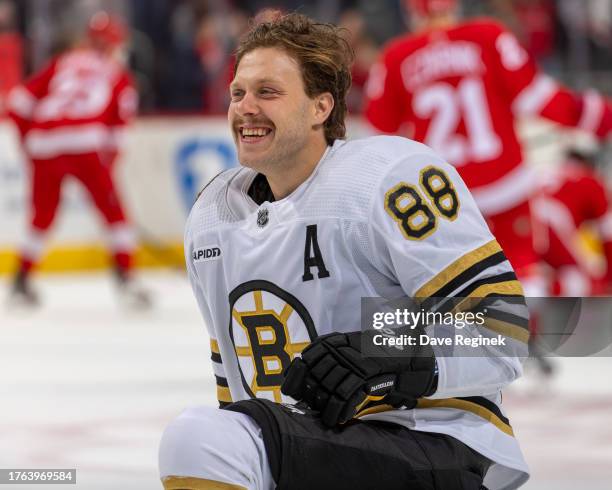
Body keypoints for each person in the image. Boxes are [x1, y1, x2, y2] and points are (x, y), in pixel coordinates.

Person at [159, 12, 531, 490]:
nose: (245, 107)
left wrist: (388, 355)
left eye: (267, 92)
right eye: (238, 93)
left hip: (430, 441)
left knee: (199, 440)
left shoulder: (388, 177)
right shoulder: (213, 217)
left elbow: (505, 328)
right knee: (219, 440)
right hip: (319, 449)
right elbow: (234, 386)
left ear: (321, 107)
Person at [364, 0, 612, 297]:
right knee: (522, 276)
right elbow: (540, 100)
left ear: (410, 11)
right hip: (507, 188)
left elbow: (377, 140)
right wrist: (602, 117)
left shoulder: (395, 58)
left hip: (443, 200)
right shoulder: (489, 35)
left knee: (452, 290)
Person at [6, 11, 149, 307]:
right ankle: (126, 278)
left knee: (41, 216)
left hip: (43, 142)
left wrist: (27, 144)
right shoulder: (119, 76)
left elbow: (18, 101)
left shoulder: (64, 61)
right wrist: (104, 171)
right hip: (86, 143)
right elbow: (118, 133)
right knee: (114, 214)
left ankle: (20, 279)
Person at [534, 142, 612, 296]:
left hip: (522, 219)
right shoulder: (590, 181)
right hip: (552, 219)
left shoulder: (548, 172)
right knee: (579, 281)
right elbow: (608, 233)